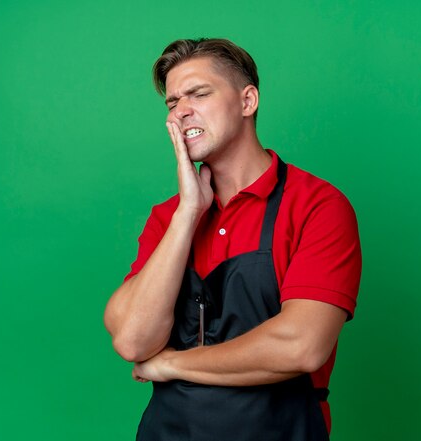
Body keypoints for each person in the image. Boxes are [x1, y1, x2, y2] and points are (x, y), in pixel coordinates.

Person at [103, 38, 362, 441]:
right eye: (172, 103)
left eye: (199, 94)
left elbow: (301, 345)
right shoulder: (168, 218)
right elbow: (133, 339)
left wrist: (171, 364)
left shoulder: (317, 206)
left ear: (248, 101)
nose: (181, 110)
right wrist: (188, 214)